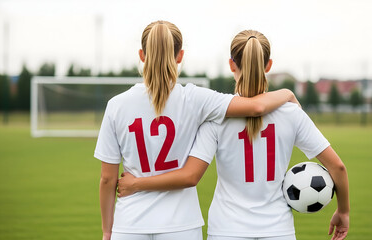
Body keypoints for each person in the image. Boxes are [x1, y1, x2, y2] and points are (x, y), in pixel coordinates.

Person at [117, 30, 350, 240]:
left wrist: (137, 183)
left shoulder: (216, 118)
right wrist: (343, 211)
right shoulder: (291, 113)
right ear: (268, 65)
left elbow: (190, 175)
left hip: (226, 230)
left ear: (231, 64)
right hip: (277, 229)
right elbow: (337, 167)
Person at [95, 21, 299, 240]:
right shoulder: (195, 98)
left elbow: (108, 180)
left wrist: (108, 230)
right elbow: (257, 107)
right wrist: (286, 93)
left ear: (142, 55)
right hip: (181, 224)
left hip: (130, 224)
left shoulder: (117, 105)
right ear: (180, 55)